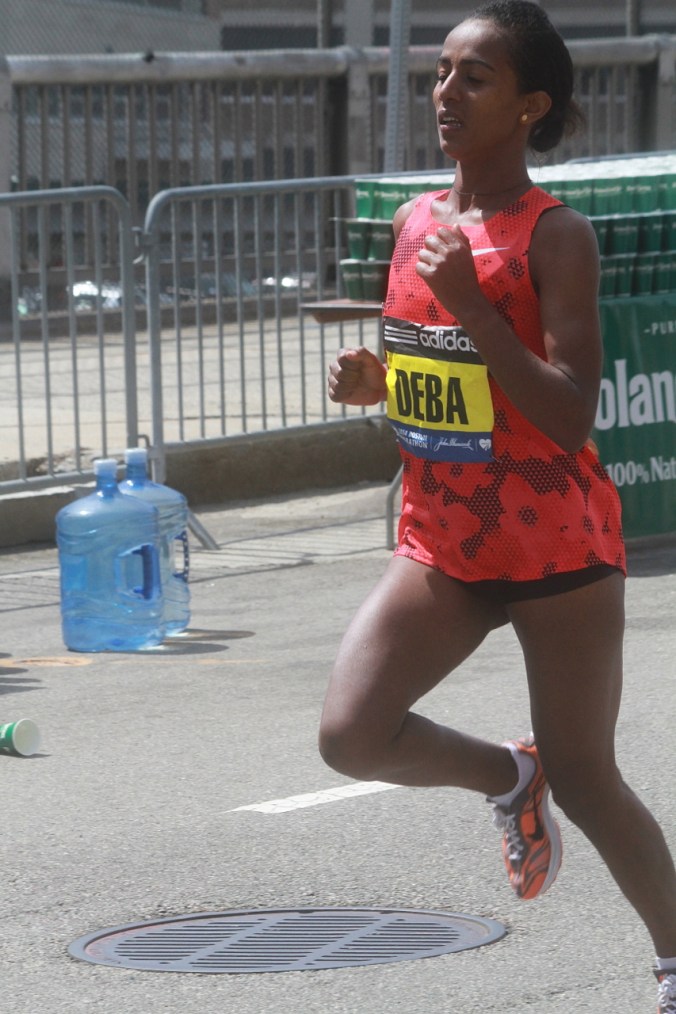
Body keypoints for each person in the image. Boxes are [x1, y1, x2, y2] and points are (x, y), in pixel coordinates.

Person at [318, 2, 676, 1009]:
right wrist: (375, 383)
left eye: (472, 79)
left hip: (553, 547)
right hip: (442, 537)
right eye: (440, 72)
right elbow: (437, 377)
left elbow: (564, 416)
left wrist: (476, 305)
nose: (444, 94)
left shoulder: (554, 238)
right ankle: (507, 782)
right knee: (350, 733)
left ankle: (673, 959)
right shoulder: (414, 223)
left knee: (591, 776)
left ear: (529, 108)